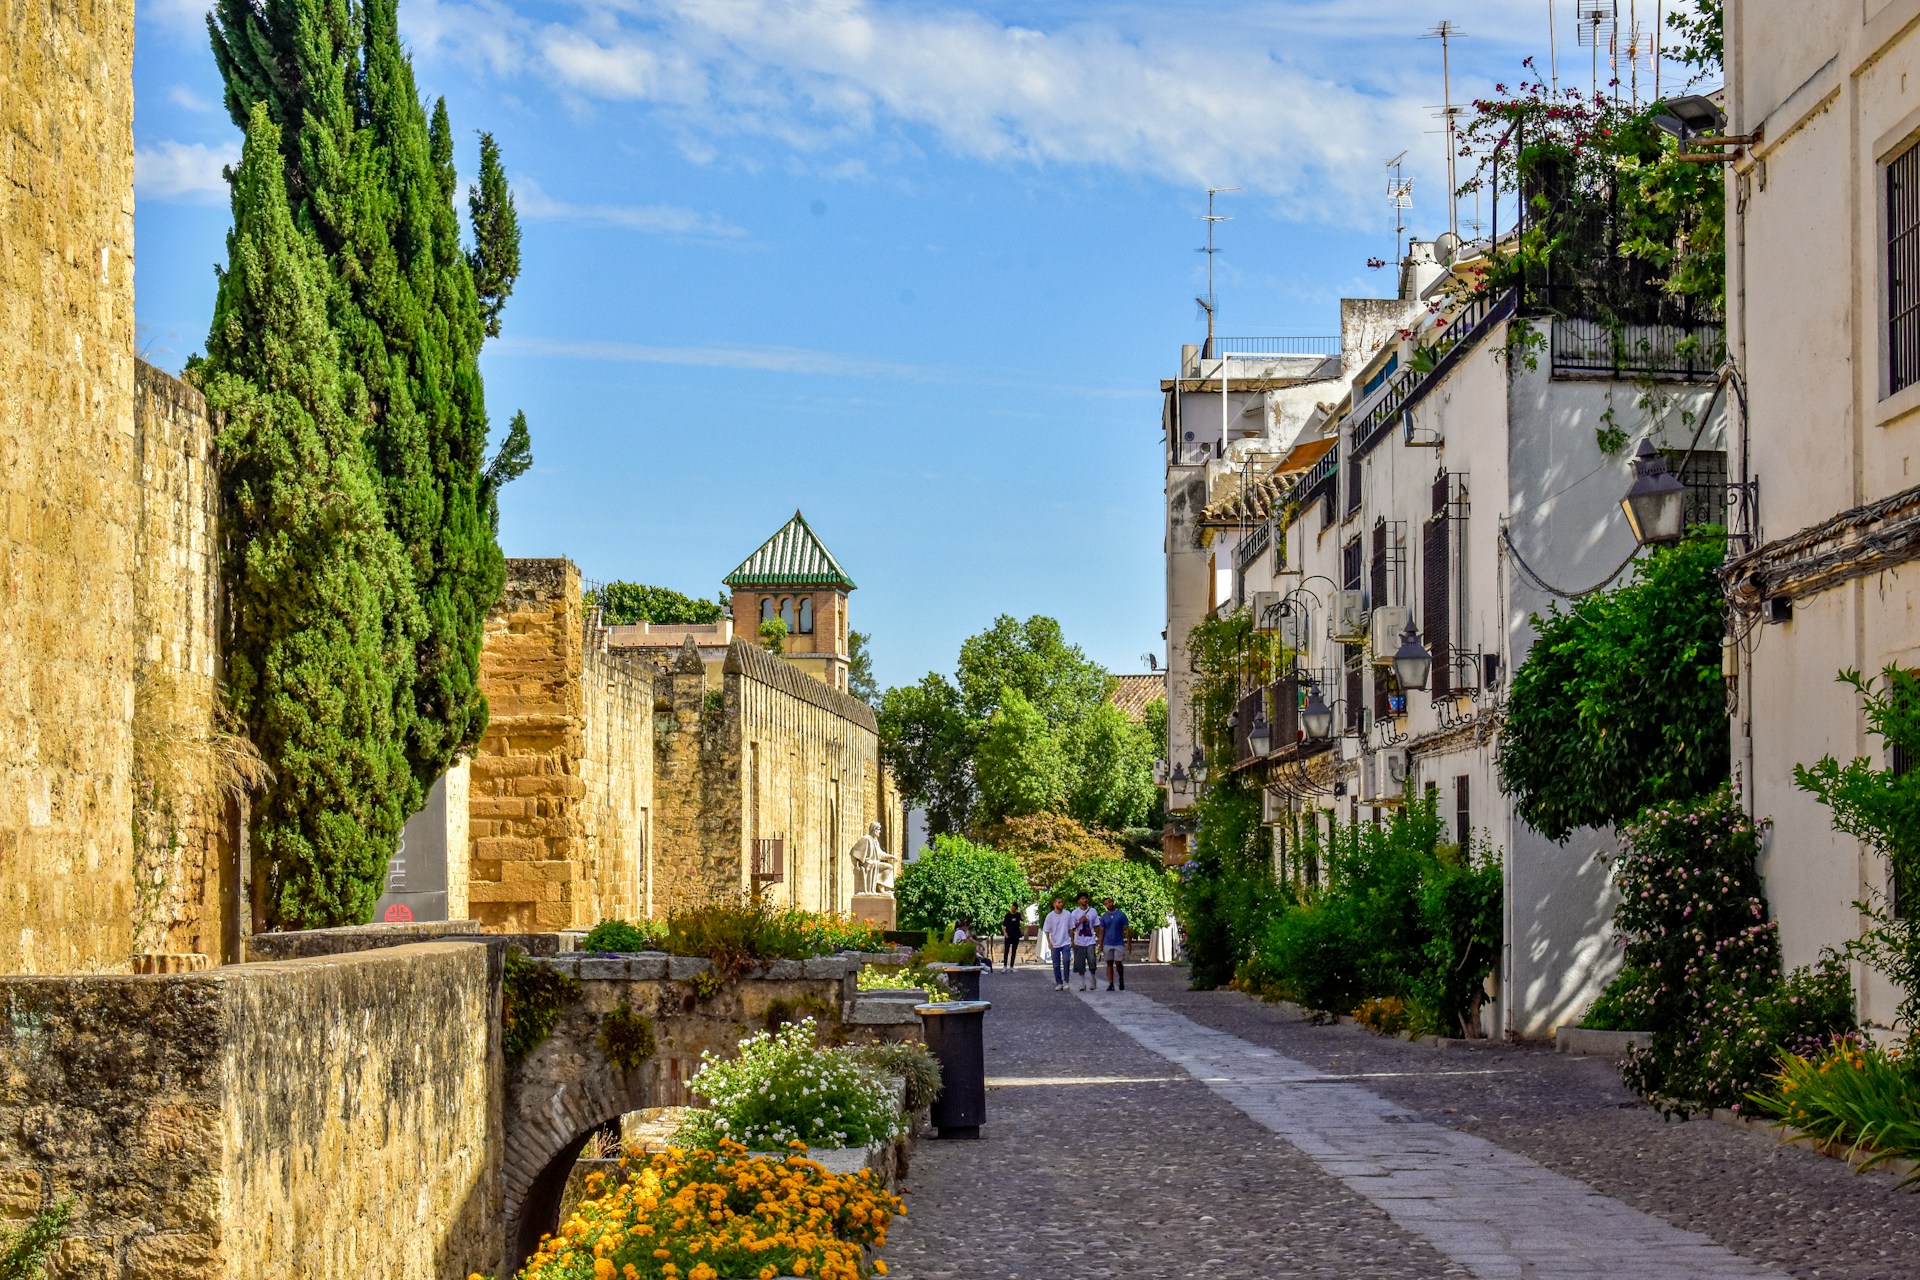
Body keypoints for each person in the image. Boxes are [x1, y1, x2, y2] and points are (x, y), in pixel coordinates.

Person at [1069, 893, 1100, 991]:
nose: (1084, 900)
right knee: (1080, 963)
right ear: (1079, 900)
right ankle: (1082, 983)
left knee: (1092, 960)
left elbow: (1097, 925)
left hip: (1090, 939)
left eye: (1086, 898)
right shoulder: (1074, 913)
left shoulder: (1093, 911)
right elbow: (1072, 927)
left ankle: (1093, 979)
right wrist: (1080, 921)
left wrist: (1099, 939)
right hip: (1079, 940)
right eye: (1082, 898)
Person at [1042, 896, 1074, 990]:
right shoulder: (1050, 916)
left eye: (1062, 902)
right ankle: (1059, 982)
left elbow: (1071, 928)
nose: (1061, 904)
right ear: (1054, 904)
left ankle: (1066, 981)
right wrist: (1049, 942)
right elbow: (1047, 930)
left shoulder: (1067, 914)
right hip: (1055, 942)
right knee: (1056, 964)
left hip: (1065, 942)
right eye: (1059, 902)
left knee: (1066, 960)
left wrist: (1072, 939)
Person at [1099, 896, 1130, 992]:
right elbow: (1102, 931)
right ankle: (1111, 983)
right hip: (1107, 942)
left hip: (1118, 942)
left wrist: (1129, 943)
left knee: (1118, 962)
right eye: (1106, 904)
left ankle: (1121, 978)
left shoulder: (1121, 915)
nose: (1109, 905)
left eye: (1110, 902)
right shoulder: (1104, 916)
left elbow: (1126, 929)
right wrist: (1100, 944)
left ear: (1113, 902)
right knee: (1109, 963)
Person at [1000, 904, 1023, 972]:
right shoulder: (1007, 916)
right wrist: (1005, 933)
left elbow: (1023, 918)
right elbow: (1003, 925)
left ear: (1016, 909)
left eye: (1014, 908)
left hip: (1016, 935)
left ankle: (1012, 966)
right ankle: (1004, 966)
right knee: (1006, 950)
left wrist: (1021, 908)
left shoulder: (1018, 915)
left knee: (1014, 951)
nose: (1012, 909)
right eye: (1012, 908)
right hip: (1008, 935)